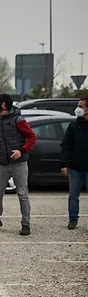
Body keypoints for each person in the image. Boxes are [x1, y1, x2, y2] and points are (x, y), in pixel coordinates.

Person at [0, 94, 37, 236]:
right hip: (2, 163)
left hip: (19, 163)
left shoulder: (18, 120)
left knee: (22, 194)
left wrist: (21, 150)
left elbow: (32, 137)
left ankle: (26, 224)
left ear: (4, 105)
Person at [60, 98, 88, 230]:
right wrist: (64, 164)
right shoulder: (73, 126)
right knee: (73, 195)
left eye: (80, 106)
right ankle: (73, 219)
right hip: (75, 167)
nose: (78, 109)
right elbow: (65, 146)